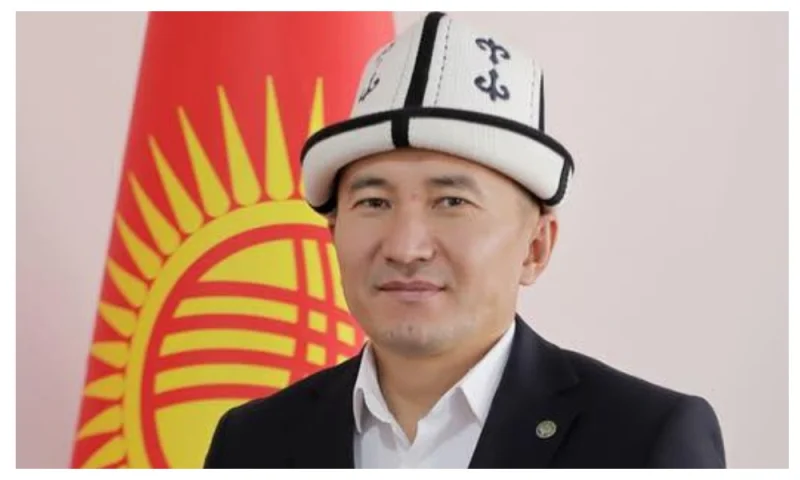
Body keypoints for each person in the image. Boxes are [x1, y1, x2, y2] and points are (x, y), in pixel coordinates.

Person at [203, 11, 726, 468]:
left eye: (451, 201)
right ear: (333, 231)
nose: (405, 248)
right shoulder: (252, 444)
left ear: (536, 247)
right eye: (374, 202)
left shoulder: (642, 441)